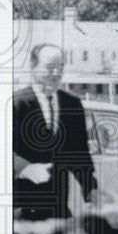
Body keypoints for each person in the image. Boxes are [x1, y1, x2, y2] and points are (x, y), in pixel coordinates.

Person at [12, 43, 98, 223]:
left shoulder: (71, 104)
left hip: (58, 211)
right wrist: (25, 168)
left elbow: (79, 155)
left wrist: (92, 192)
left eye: (60, 68)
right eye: (50, 68)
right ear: (32, 68)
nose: (56, 74)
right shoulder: (15, 103)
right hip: (20, 210)